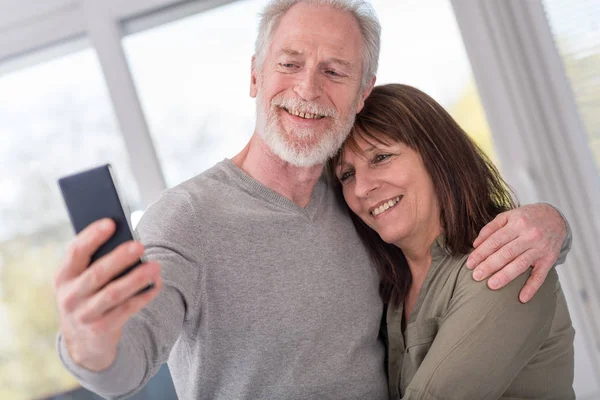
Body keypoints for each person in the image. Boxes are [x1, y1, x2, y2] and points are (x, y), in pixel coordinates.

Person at [53, 1, 572, 398]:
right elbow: (126, 362)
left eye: (334, 71)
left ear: (362, 91)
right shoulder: (187, 219)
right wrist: (88, 342)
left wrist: (552, 224)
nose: (307, 89)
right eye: (290, 62)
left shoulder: (357, 201)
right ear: (255, 74)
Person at [327, 83, 575, 399]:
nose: (361, 188)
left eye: (381, 157)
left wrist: (555, 220)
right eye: (347, 175)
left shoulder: (503, 263)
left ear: (437, 155)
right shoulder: (392, 287)